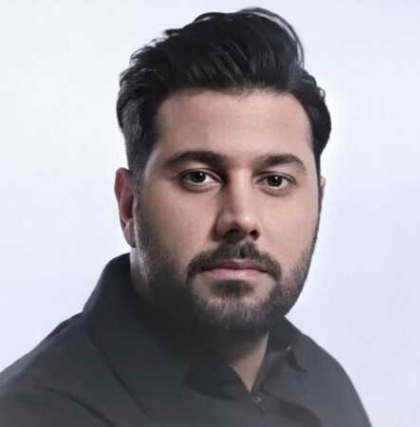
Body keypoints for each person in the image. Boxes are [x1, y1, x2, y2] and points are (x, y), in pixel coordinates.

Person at [0, 8, 371, 427]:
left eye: (275, 180)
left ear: (318, 202)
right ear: (128, 205)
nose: (241, 217)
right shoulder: (38, 412)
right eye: (199, 177)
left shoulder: (323, 381)